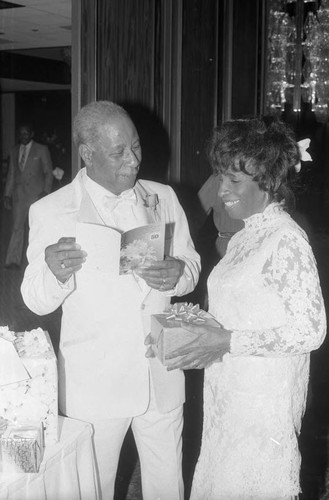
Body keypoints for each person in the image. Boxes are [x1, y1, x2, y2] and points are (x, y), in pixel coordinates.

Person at [21, 101, 200, 500]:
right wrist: (56, 272)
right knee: (95, 488)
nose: (134, 159)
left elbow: (191, 265)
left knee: (168, 485)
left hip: (161, 373)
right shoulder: (51, 210)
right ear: (87, 153)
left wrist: (179, 273)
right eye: (119, 152)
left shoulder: (163, 197)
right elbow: (35, 300)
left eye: (136, 146)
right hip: (96, 384)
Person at [160, 117, 327, 499]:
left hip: (262, 402)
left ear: (268, 182)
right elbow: (237, 312)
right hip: (228, 394)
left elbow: (311, 330)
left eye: (233, 181)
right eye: (221, 178)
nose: (222, 190)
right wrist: (187, 339)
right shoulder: (245, 235)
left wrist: (227, 342)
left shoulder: (286, 239)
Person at [3, 122, 53, 269]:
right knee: (17, 227)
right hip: (19, 196)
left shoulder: (41, 149)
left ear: (31, 134)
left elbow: (48, 172)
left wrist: (46, 192)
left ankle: (38, 261)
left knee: (36, 229)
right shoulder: (14, 151)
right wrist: (7, 195)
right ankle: (13, 260)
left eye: (26, 133)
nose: (23, 136)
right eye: (21, 133)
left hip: (36, 195)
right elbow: (11, 175)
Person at [198, 173, 244, 259]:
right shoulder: (217, 179)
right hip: (226, 248)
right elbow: (192, 217)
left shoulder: (268, 177)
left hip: (264, 244)